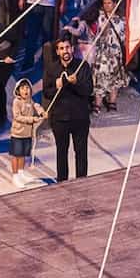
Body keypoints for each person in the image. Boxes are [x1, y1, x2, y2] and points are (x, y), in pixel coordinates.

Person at [43, 37, 94, 182]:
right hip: (60, 119)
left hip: (80, 118)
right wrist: (58, 85)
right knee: (61, 153)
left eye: (67, 47)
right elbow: (47, 93)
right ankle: (62, 183)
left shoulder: (82, 66)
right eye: (61, 48)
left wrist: (75, 83)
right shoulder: (51, 69)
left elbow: (88, 90)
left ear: (72, 49)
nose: (65, 51)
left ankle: (82, 183)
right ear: (57, 52)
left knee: (81, 153)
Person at [90, 0, 128, 112]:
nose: (107, 5)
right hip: (102, 54)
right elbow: (95, 34)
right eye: (105, 3)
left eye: (109, 3)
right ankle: (98, 103)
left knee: (114, 79)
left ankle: (112, 101)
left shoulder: (122, 20)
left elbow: (124, 37)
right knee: (100, 78)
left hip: (116, 54)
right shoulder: (100, 17)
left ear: (115, 3)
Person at [9, 78, 45, 188]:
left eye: (27, 88)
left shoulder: (30, 101)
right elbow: (17, 117)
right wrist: (32, 119)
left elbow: (36, 106)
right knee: (16, 155)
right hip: (18, 134)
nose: (26, 90)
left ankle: (21, 173)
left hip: (27, 134)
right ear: (18, 91)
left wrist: (42, 112)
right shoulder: (17, 102)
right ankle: (15, 176)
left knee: (23, 155)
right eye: (23, 88)